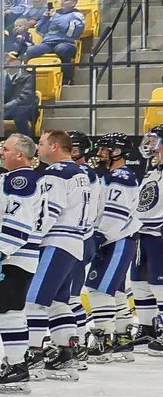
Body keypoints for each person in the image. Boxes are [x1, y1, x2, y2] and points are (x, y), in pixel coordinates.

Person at [0, 131, 48, 392]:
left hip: (14, 256)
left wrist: (0, 251)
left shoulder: (21, 179)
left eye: (6, 148)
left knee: (9, 312)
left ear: (20, 154)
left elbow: (19, 221)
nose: (1, 152)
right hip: (13, 255)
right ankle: (16, 364)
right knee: (8, 311)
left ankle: (18, 367)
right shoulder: (17, 177)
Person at [30, 129, 96, 376]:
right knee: (59, 302)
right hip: (74, 242)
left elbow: (49, 210)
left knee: (34, 302)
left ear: (55, 146)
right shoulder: (80, 173)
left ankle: (32, 355)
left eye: (42, 143)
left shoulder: (56, 172)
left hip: (56, 241)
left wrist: (30, 238)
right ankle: (66, 354)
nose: (39, 147)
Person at [83, 139, 141, 358]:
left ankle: (103, 339)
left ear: (118, 152)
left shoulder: (121, 177)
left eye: (104, 149)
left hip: (116, 239)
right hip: (115, 239)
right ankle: (123, 337)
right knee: (114, 290)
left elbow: (116, 214)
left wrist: (99, 236)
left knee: (99, 289)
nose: (100, 153)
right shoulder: (108, 176)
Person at [136, 129, 163, 351]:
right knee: (139, 282)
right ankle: (147, 328)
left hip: (160, 234)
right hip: (143, 232)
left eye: (155, 140)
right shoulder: (152, 171)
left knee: (159, 283)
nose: (150, 144)